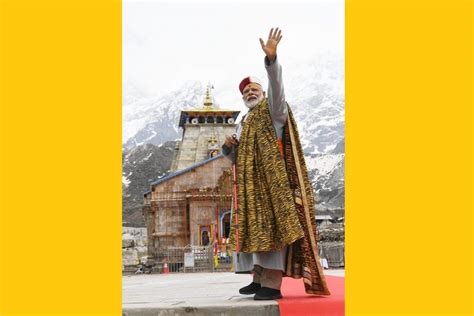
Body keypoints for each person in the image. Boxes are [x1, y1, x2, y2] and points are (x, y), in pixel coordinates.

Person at [222, 27, 331, 300]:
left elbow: (278, 89)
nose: (249, 92)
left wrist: (271, 62)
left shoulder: (273, 110)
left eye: (254, 88)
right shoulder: (244, 122)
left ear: (263, 91)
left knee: (271, 232)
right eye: (246, 90)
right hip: (249, 189)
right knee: (254, 233)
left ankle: (272, 285)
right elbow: (237, 159)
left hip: (272, 186)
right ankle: (258, 280)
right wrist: (228, 149)